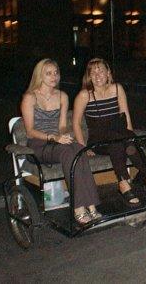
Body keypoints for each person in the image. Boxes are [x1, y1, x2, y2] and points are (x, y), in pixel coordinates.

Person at [21, 59, 101, 225]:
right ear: (40, 76)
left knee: (78, 149)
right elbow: (29, 131)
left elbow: (63, 126)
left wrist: (63, 136)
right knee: (67, 153)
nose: (54, 76)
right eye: (48, 73)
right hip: (38, 145)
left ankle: (92, 206)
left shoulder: (62, 96)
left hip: (56, 143)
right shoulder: (30, 97)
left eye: (56, 73)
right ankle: (78, 208)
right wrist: (54, 138)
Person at [72, 58, 146, 206]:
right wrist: (83, 147)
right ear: (89, 77)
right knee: (117, 139)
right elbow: (76, 123)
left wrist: (130, 137)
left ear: (108, 73)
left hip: (119, 136)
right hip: (98, 140)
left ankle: (125, 182)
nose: (97, 74)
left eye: (100, 70)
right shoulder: (84, 95)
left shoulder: (117, 88)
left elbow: (125, 115)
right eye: (93, 72)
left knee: (121, 140)